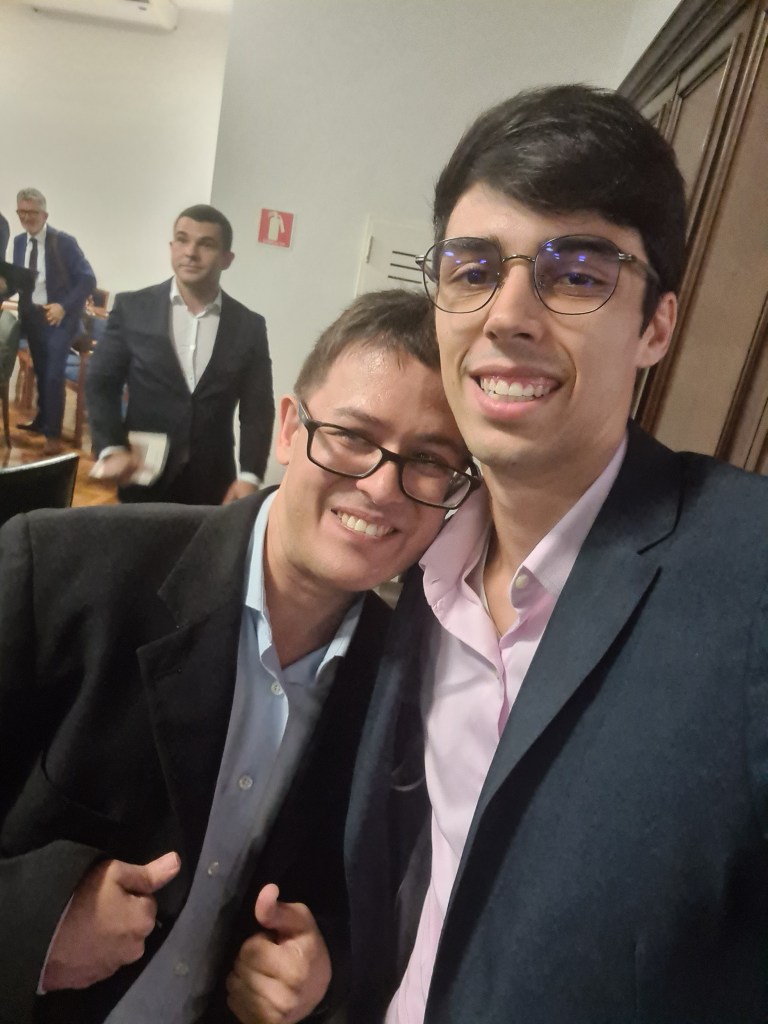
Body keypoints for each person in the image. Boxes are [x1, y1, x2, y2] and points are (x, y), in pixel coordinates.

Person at [338, 85, 768, 1024]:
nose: (508, 314)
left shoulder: (749, 573)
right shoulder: (423, 558)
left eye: (575, 274)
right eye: (472, 269)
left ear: (656, 324)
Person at [0, 288, 475, 1024]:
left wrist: (323, 973)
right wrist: (35, 924)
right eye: (351, 435)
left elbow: (376, 909)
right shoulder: (60, 573)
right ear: (288, 427)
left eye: (429, 462)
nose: (382, 487)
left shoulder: (413, 684)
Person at [86, 204, 274, 505]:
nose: (191, 252)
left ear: (226, 259)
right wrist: (111, 446)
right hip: (142, 475)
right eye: (183, 240)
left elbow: (257, 409)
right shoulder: (133, 308)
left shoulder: (249, 326)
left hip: (214, 485)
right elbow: (101, 382)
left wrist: (250, 475)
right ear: (172, 247)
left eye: (206, 244)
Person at [12, 188, 96, 454]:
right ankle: (41, 420)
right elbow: (23, 282)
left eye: (32, 212)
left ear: (45, 214)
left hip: (60, 318)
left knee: (52, 375)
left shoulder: (64, 242)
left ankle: (52, 437)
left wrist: (63, 307)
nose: (26, 217)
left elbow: (88, 279)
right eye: (22, 212)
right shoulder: (18, 242)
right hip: (33, 317)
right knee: (40, 370)